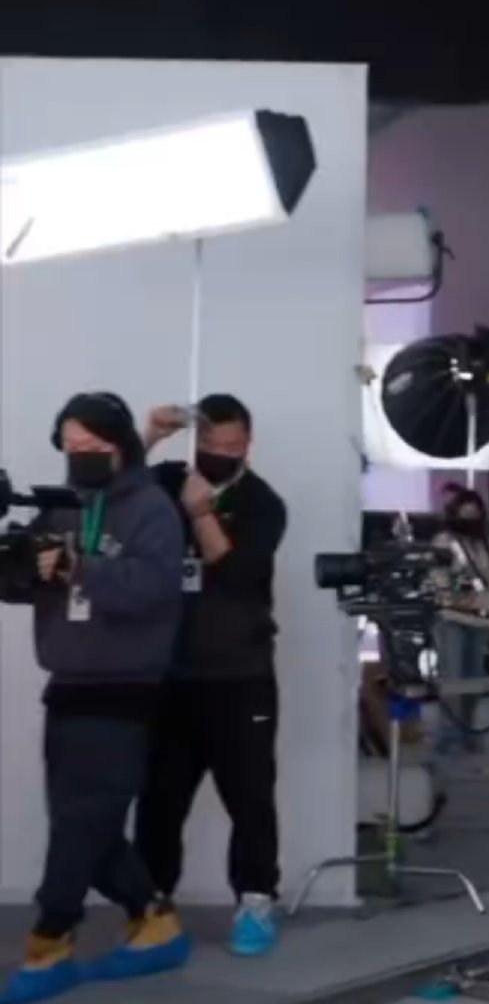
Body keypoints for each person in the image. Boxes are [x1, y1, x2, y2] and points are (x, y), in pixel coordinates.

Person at [0, 393, 190, 1004]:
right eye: (72, 445)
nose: (81, 455)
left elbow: (152, 590)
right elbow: (22, 587)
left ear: (122, 445)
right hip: (67, 682)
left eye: (94, 446)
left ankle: (50, 939)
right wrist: (18, 565)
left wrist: (77, 567)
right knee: (83, 821)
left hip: (124, 686)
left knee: (82, 820)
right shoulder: (60, 506)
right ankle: (155, 923)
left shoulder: (152, 509)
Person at [135, 396, 287, 957]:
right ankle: (153, 905)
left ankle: (255, 901)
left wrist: (200, 515)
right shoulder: (168, 480)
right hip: (170, 675)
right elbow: (114, 493)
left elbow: (239, 573)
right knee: (159, 799)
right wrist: (149, 435)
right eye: (211, 445)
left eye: (232, 446)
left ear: (248, 444)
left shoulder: (262, 503)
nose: (221, 454)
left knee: (250, 797)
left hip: (240, 677)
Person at [433, 488, 489, 756]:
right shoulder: (444, 542)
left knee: (474, 678)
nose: (470, 518)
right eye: (465, 513)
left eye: (475, 513)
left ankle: (469, 731)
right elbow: (438, 578)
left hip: (479, 618)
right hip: (450, 616)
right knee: (452, 678)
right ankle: (448, 735)